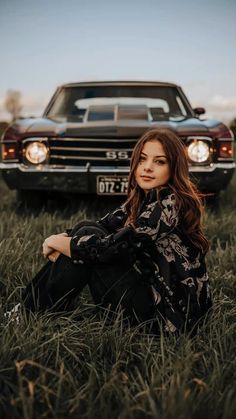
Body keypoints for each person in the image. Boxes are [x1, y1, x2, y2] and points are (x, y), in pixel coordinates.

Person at [21, 128, 212, 335]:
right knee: (87, 229)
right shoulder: (145, 199)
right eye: (142, 159)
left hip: (167, 321)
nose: (147, 168)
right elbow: (102, 225)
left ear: (174, 168)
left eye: (159, 162)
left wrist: (56, 243)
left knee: (89, 250)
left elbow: (111, 250)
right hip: (156, 302)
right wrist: (64, 238)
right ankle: (33, 307)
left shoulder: (168, 204)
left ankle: (30, 311)